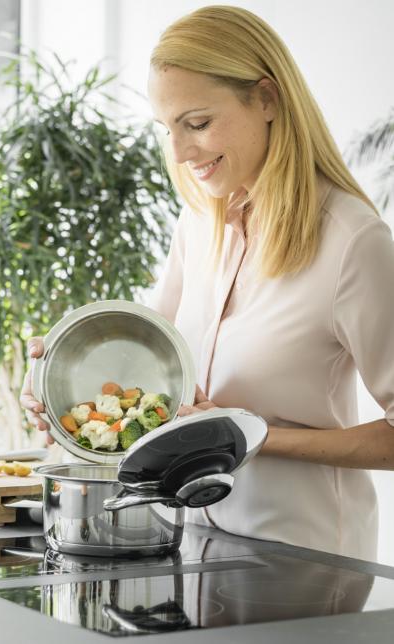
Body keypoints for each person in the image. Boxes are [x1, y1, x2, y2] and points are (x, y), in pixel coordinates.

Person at [19, 5, 394, 560]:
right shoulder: (199, 224)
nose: (179, 152)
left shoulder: (353, 242)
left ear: (266, 99)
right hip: (192, 545)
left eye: (197, 124)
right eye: (167, 128)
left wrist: (243, 434)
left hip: (306, 556)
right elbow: (152, 370)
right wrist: (58, 382)